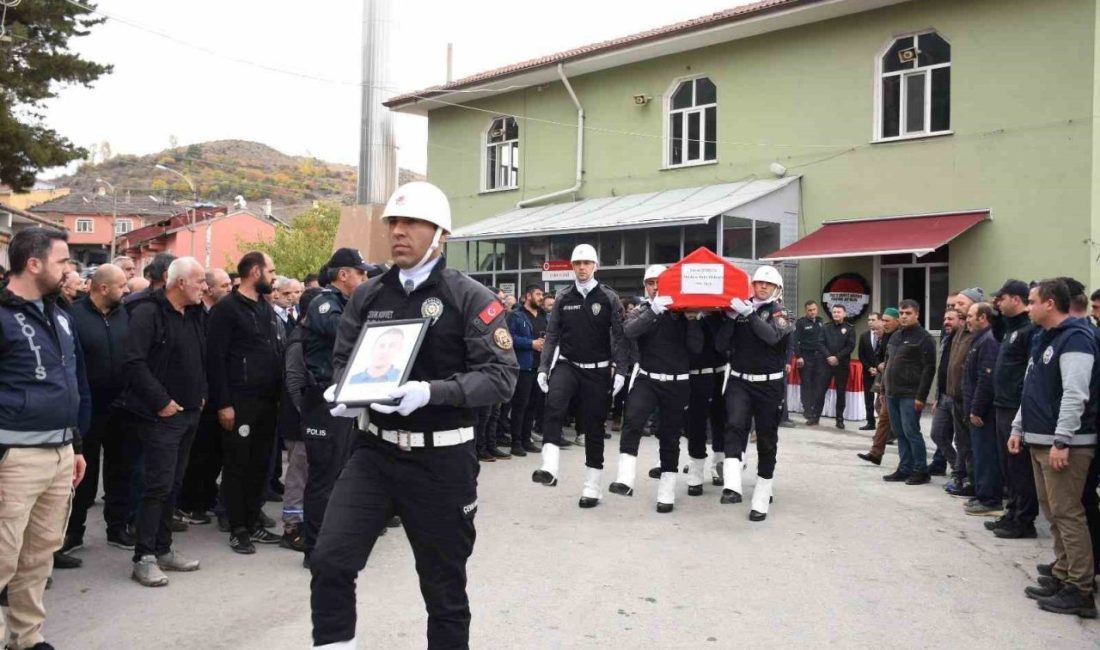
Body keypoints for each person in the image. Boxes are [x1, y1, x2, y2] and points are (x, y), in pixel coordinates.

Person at [310, 181, 517, 649]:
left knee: (443, 591)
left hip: (441, 462)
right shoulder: (369, 295)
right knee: (330, 560)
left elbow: (501, 377)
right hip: (374, 453)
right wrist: (347, 392)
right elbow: (344, 359)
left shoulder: (469, 297)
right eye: (394, 223)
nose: (398, 232)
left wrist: (432, 392)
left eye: (411, 223)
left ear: (439, 233)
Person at [0, 228, 86, 649]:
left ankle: (26, 638)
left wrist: (76, 445)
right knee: (2, 555)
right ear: (33, 263)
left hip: (59, 451)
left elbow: (72, 382)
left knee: (38, 555)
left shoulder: (61, 313)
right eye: (62, 261)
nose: (69, 269)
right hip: (13, 457)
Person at [116, 257, 207, 587]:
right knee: (157, 486)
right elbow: (133, 363)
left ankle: (164, 548)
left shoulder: (195, 313)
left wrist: (202, 393)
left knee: (174, 484)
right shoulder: (147, 313)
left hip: (190, 413)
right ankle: (144, 557)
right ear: (180, 282)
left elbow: (200, 356)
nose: (205, 287)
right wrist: (163, 402)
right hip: (161, 416)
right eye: (199, 281)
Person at [1011, 279, 1097, 618]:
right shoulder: (1044, 338)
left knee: (1068, 514)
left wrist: (1062, 439)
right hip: (1040, 438)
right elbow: (1032, 389)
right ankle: (1063, 574)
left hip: (1066, 444)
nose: (1028, 307)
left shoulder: (1076, 338)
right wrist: (1020, 426)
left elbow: (1076, 394)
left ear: (1050, 304)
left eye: (1032, 302)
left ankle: (1080, 589)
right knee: (1054, 513)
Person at [532, 244, 629, 504]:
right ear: (572, 267)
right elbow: (552, 335)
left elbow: (620, 337)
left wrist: (621, 370)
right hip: (568, 364)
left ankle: (592, 486)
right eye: (577, 263)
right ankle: (549, 468)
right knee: (553, 404)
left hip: (597, 371)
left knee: (594, 426)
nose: (582, 268)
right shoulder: (563, 297)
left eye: (587, 263)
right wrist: (544, 368)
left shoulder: (609, 297)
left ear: (595, 266)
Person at [207, 251, 287, 554]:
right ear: (255, 272)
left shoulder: (264, 309)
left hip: (267, 403)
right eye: (271, 270)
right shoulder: (227, 309)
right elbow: (214, 360)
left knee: (260, 465)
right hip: (239, 403)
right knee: (238, 464)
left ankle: (253, 521)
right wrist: (223, 403)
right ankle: (237, 527)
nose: (274, 277)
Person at [297, 249, 373, 566]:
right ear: (344, 275)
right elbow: (350, 335)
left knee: (339, 474)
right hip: (322, 401)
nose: (366, 279)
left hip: (342, 399)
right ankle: (313, 549)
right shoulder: (324, 304)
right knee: (322, 477)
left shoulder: (347, 305)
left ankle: (330, 543)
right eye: (361, 274)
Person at [63, 264, 138, 563]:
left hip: (122, 406)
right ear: (103, 288)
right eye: (122, 285)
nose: (127, 290)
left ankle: (117, 527)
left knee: (122, 468)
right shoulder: (75, 315)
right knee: (84, 472)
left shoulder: (125, 316)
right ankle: (73, 530)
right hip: (88, 407)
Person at [608, 265, 699, 512]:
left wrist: (692, 321)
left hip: (677, 382)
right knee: (633, 420)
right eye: (650, 282)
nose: (655, 286)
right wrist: (654, 311)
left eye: (659, 282)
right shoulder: (642, 310)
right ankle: (625, 478)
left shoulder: (681, 312)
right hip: (647, 378)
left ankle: (667, 490)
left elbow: (696, 348)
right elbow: (629, 331)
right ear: (644, 286)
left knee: (669, 435)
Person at [716, 266, 793, 521]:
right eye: (758, 283)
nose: (762, 287)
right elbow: (721, 346)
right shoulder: (740, 309)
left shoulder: (781, 313)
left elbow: (772, 336)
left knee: (767, 437)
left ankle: (763, 490)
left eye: (767, 284)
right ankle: (732, 484)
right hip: (739, 380)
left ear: (777, 289)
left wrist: (749, 314)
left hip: (768, 384)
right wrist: (728, 319)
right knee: (734, 425)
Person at [176, 267, 233, 526]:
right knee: (198, 454)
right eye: (224, 286)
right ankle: (188, 502)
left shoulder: (218, 313)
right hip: (196, 395)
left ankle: (205, 496)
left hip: (212, 392)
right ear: (209, 288)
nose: (229, 290)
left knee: (212, 454)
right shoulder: (196, 313)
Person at [988, 280, 1039, 538]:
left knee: (1019, 467)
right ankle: (1012, 512)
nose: (998, 302)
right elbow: (998, 332)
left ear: (1016, 299)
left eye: (1002, 298)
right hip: (1002, 403)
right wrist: (997, 316)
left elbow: (1031, 371)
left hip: (1015, 406)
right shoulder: (1011, 329)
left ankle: (1024, 520)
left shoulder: (1029, 330)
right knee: (1007, 465)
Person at [880, 299, 936, 485]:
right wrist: (883, 389)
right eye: (901, 313)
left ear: (917, 314)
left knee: (911, 431)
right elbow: (888, 364)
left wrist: (921, 396)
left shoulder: (924, 338)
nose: (904, 316)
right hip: (892, 393)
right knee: (899, 431)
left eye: (908, 313)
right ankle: (904, 468)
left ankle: (921, 470)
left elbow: (929, 369)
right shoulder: (895, 336)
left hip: (910, 394)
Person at [961, 302, 1003, 514]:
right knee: (980, 454)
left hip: (984, 414)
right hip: (976, 410)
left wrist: (976, 409)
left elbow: (986, 379)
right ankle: (983, 494)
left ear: (983, 317)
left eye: (970, 315)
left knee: (986, 456)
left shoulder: (989, 340)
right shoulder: (980, 339)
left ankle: (990, 500)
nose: (967, 319)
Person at [944, 288, 983, 496]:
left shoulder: (978, 332)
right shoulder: (960, 329)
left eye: (960, 304)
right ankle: (963, 477)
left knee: (971, 443)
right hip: (954, 396)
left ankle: (974, 482)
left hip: (969, 398)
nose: (955, 307)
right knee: (961, 441)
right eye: (954, 304)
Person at [687, 310, 729, 488]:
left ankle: (719, 463)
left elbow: (722, 344)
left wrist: (711, 313)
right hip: (694, 374)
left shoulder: (719, 314)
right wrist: (693, 318)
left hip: (720, 372)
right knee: (695, 424)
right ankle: (696, 468)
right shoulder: (685, 313)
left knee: (721, 420)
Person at [506, 284, 546, 457]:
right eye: (538, 294)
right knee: (520, 406)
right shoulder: (515, 315)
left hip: (540, 367)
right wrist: (531, 343)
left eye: (542, 294)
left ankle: (526, 439)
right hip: (523, 366)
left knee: (532, 405)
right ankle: (516, 442)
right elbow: (508, 338)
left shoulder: (545, 316)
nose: (541, 297)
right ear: (528, 296)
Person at [858, 308, 899, 465]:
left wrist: (883, 366)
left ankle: (912, 462)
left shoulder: (896, 337)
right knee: (882, 415)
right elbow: (879, 357)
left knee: (893, 419)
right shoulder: (886, 338)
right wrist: (877, 366)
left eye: (886, 322)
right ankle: (876, 452)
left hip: (897, 384)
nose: (876, 332)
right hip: (885, 380)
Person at [929, 308, 961, 478]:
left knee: (961, 440)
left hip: (958, 397)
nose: (946, 322)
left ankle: (962, 473)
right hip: (943, 396)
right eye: (945, 318)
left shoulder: (964, 340)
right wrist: (936, 397)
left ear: (961, 320)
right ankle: (956, 465)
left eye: (951, 318)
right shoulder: (946, 339)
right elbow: (941, 369)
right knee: (937, 433)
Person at [822, 304, 856, 429]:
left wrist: (837, 357)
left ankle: (839, 419)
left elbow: (850, 346)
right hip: (826, 364)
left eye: (839, 312)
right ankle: (814, 416)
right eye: (834, 312)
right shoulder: (826, 327)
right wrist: (829, 356)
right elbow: (820, 343)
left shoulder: (850, 328)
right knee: (820, 389)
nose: (836, 314)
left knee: (840, 392)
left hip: (841, 365)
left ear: (844, 314)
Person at [794, 300, 827, 425]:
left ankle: (814, 408)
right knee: (806, 383)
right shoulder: (801, 323)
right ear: (805, 310)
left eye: (814, 309)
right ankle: (807, 409)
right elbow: (795, 340)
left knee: (817, 383)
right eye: (810, 310)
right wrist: (798, 356)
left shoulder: (820, 321)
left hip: (819, 358)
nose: (812, 312)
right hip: (805, 357)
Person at [857, 312, 883, 431]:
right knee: (868, 397)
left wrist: (877, 369)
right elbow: (861, 355)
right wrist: (869, 368)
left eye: (873, 319)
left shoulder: (884, 335)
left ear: (879, 320)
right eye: (869, 320)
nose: (870, 322)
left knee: (882, 399)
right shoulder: (864, 336)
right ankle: (870, 422)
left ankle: (884, 425)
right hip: (868, 372)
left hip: (882, 373)